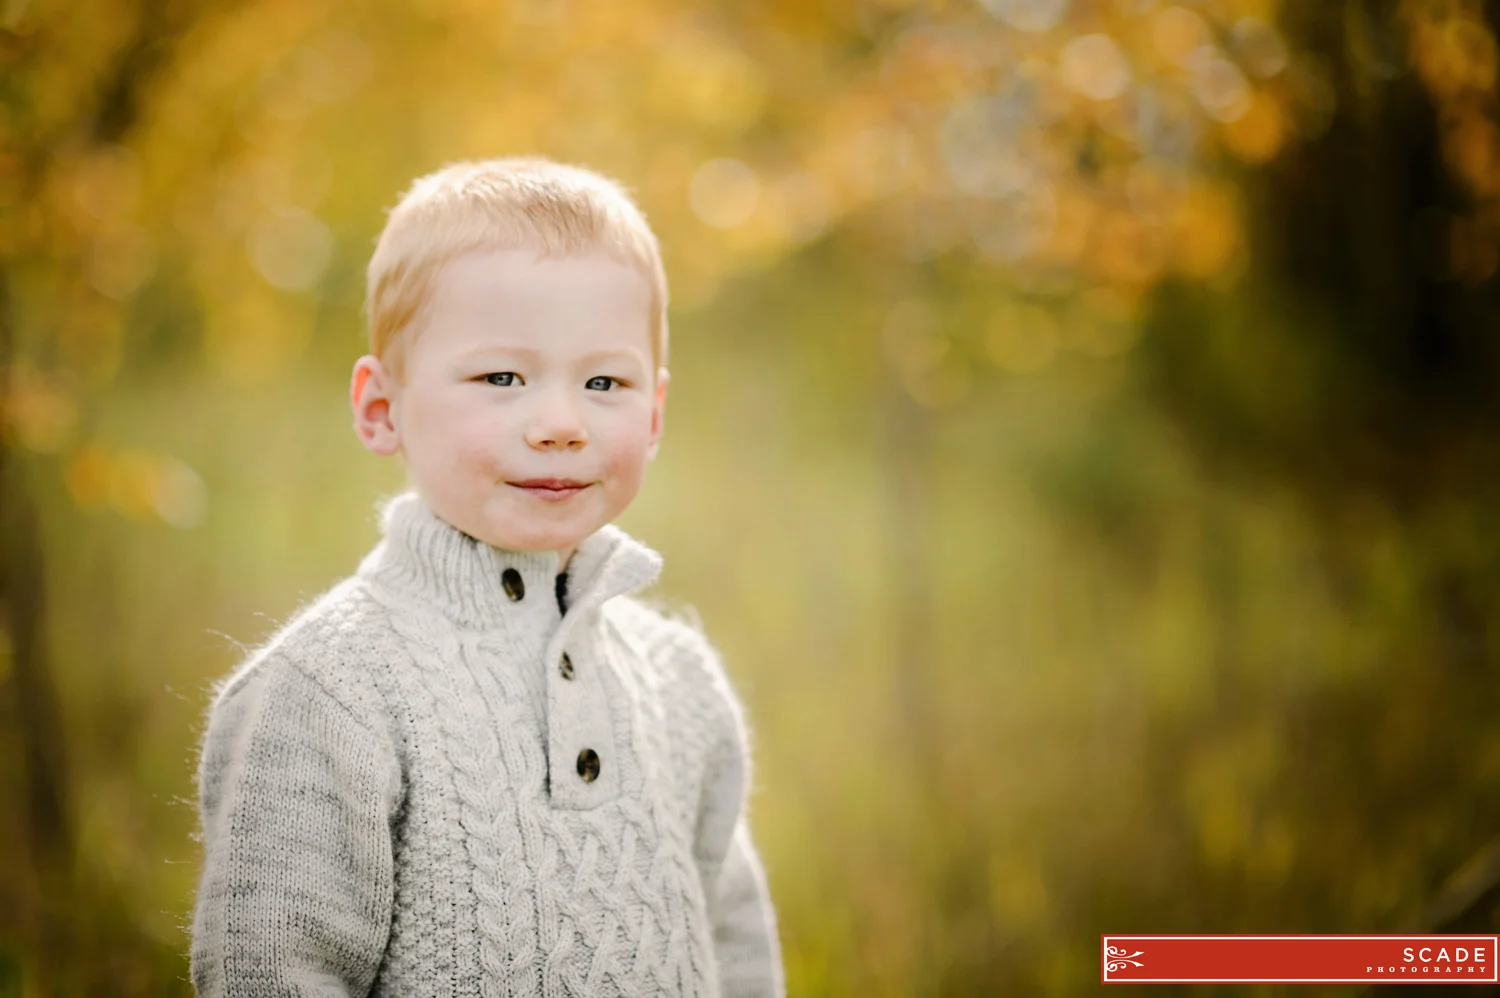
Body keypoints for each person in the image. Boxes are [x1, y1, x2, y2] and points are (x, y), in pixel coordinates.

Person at [188, 156, 785, 997]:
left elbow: (738, 950)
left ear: (653, 416)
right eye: (502, 377)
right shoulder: (328, 688)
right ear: (380, 407)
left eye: (604, 381)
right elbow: (276, 973)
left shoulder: (679, 683)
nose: (558, 424)